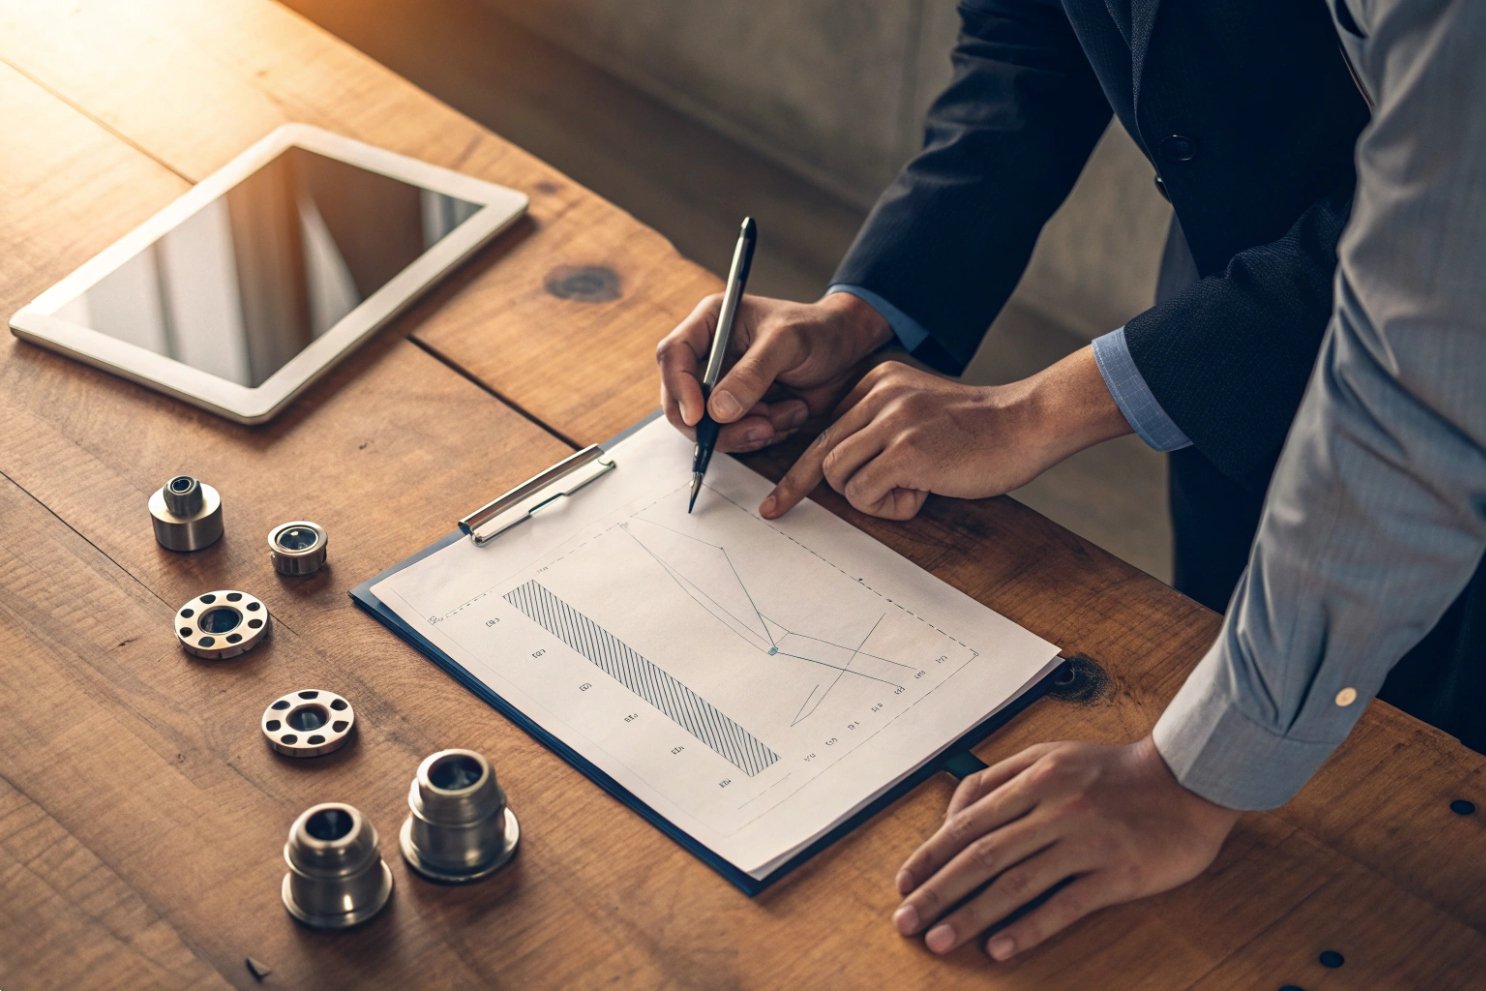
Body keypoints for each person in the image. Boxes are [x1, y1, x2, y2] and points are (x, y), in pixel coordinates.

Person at [656, 0, 1484, 961]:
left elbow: (1433, 330)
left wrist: (1194, 773)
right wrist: (873, 308)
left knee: (1414, 864)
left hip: (1443, 441)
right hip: (1228, 372)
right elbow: (1029, 37)